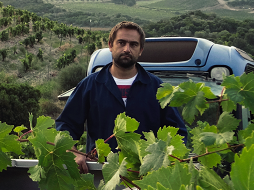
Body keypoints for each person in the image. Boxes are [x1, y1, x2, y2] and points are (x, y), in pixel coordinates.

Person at [55, 21, 187, 173]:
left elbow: (178, 133)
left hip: (146, 176)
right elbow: (66, 125)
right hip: (101, 173)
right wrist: (73, 152)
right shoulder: (90, 85)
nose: (127, 49)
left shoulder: (158, 88)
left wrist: (164, 161)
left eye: (133, 44)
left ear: (141, 50)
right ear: (111, 45)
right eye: (121, 43)